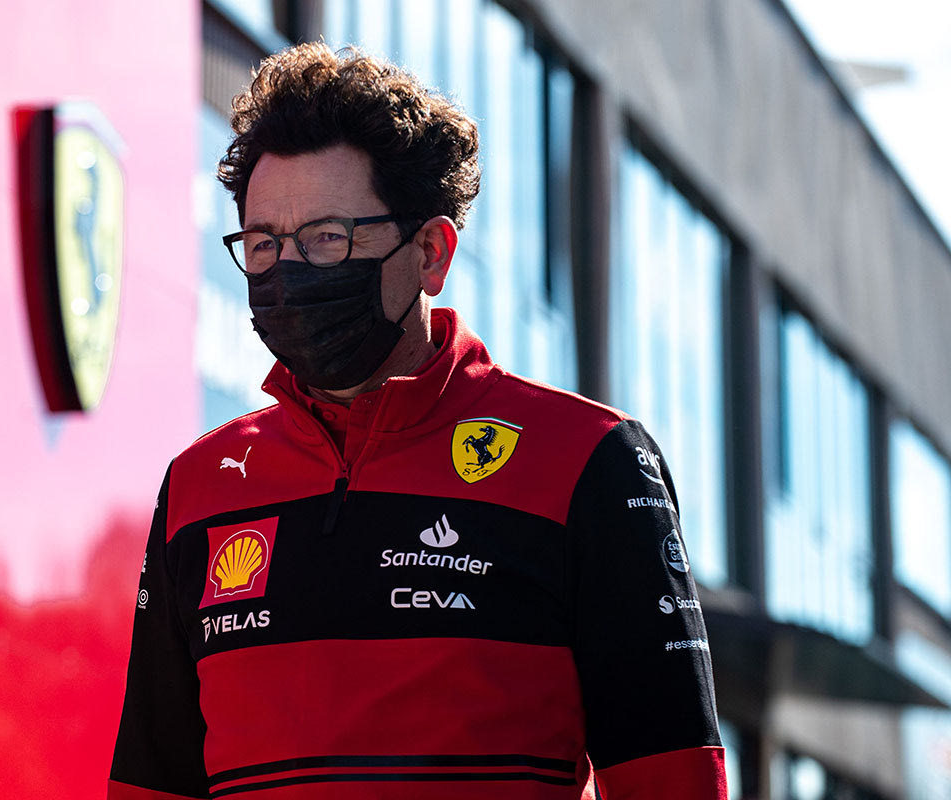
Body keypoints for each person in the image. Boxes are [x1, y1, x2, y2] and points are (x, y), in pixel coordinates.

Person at [109, 42, 726, 800]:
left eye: (328, 238)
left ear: (431, 253)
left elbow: (673, 780)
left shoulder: (588, 461)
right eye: (264, 244)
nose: (290, 271)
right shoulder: (200, 485)